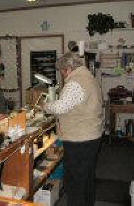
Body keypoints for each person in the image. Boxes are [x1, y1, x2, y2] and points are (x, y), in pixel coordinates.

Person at [42, 52, 103, 206]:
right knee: (87, 178)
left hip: (79, 139)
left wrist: (46, 106)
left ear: (68, 69)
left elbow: (61, 107)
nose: (62, 76)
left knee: (75, 182)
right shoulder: (89, 78)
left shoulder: (76, 82)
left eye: (62, 72)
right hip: (91, 136)